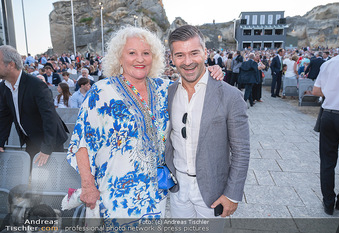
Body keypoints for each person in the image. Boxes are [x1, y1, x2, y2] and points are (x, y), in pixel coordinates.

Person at [66, 26, 223, 225]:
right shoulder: (101, 92)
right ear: (119, 57)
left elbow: (195, 84)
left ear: (154, 57)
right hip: (115, 194)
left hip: (155, 194)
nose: (140, 59)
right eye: (132, 53)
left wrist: (210, 71)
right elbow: (82, 141)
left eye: (146, 53)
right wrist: (88, 186)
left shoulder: (166, 88)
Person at [165, 25, 250, 225]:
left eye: (194, 53)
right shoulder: (167, 93)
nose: (187, 62)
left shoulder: (230, 95)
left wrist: (232, 194)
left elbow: (241, 150)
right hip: (178, 189)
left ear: (205, 52)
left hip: (213, 191)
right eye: (180, 55)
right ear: (172, 58)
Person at [0, 45, 68, 166]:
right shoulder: (3, 87)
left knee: (53, 179)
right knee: (34, 178)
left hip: (50, 139)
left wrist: (47, 148)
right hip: (31, 138)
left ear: (10, 64)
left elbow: (49, 116)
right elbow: (5, 117)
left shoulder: (36, 85)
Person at [312, 32, 339, 216]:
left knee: (327, 161)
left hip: (328, 115)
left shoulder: (329, 63)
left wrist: (335, 94)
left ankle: (328, 202)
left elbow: (316, 90)